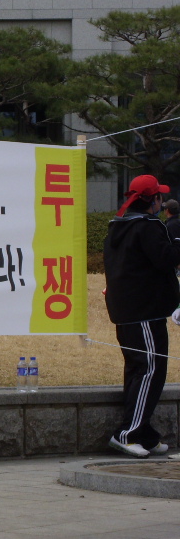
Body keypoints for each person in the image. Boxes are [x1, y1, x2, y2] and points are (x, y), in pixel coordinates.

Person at [104, 174, 180, 458]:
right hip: (145, 312)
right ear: (154, 200)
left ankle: (144, 434)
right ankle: (126, 434)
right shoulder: (147, 226)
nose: (162, 201)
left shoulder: (118, 226)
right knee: (150, 370)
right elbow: (167, 259)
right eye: (159, 196)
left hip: (125, 310)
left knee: (138, 371)